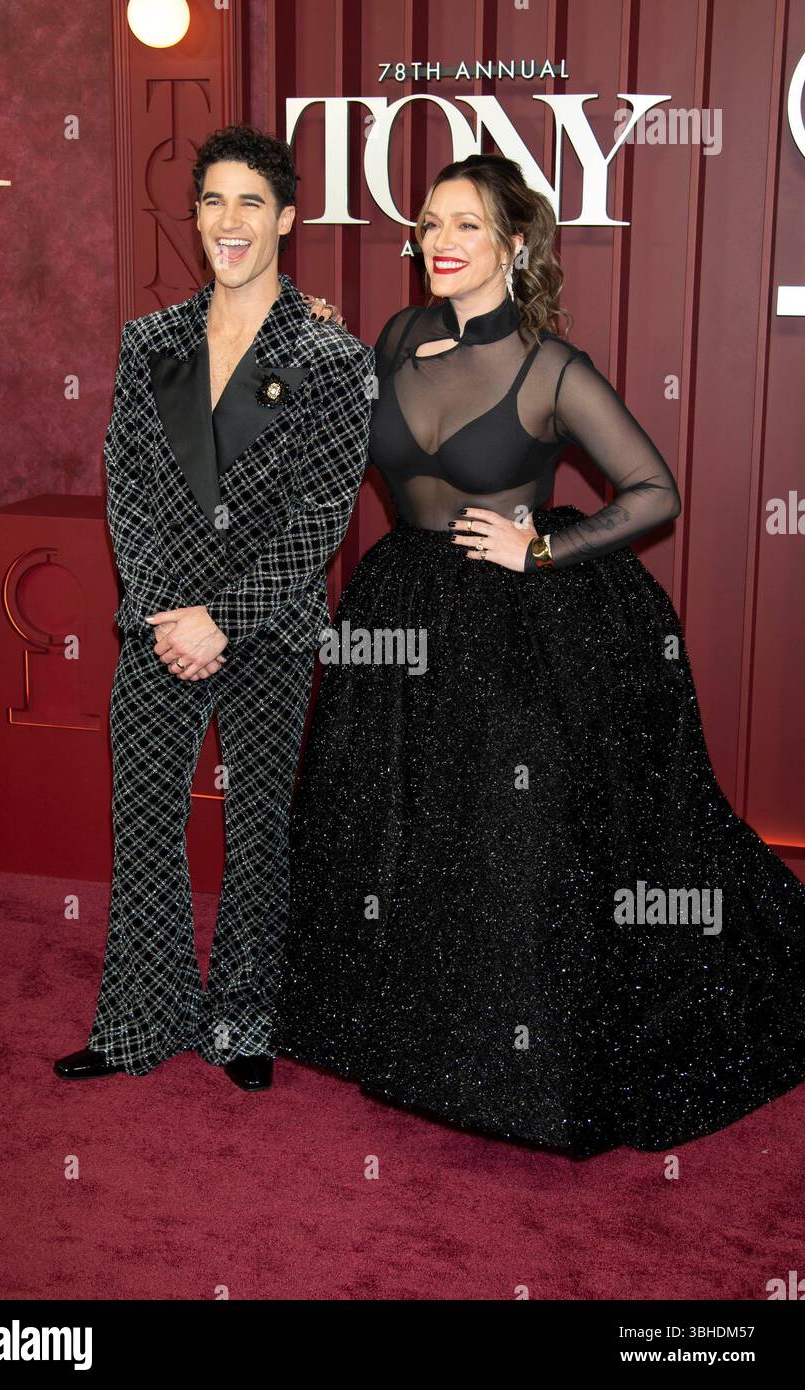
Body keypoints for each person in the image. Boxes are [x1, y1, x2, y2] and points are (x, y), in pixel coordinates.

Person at [271, 152, 805, 1156]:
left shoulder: (549, 366)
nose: (441, 241)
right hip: (401, 610)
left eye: (466, 226)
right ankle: (397, 1032)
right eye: (430, 223)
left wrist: (542, 544)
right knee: (392, 823)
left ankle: (512, 1069)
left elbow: (656, 491)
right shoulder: (395, 337)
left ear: (515, 249)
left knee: (508, 848)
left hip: (514, 626)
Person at [54, 125, 374, 1090]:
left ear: (284, 218)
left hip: (266, 626)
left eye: (249, 203)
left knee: (258, 826)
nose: (227, 222)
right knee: (144, 816)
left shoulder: (331, 357)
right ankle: (139, 1023)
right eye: (211, 203)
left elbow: (319, 517)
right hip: (159, 624)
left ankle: (241, 1021)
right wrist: (161, 610)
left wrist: (221, 617)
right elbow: (128, 487)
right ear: (194, 220)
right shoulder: (149, 342)